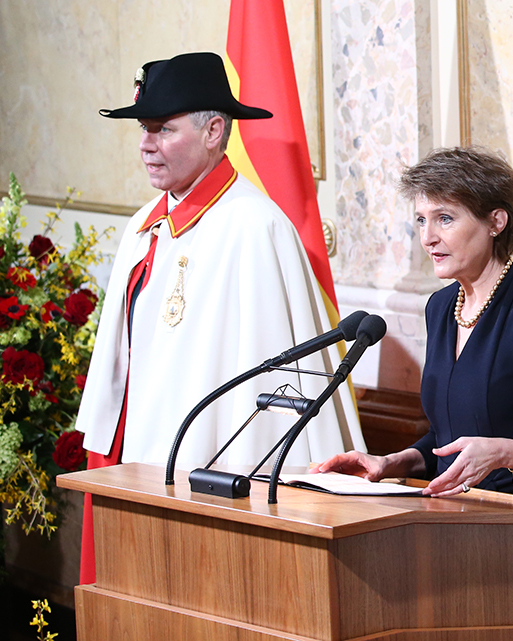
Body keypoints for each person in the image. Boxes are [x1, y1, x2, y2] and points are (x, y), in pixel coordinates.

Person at [77, 52, 364, 582]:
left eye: (163, 129)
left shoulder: (256, 228)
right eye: (144, 129)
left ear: (214, 131)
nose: (145, 145)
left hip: (206, 474)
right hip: (134, 457)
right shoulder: (145, 223)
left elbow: (272, 386)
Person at [315, 147, 513, 641]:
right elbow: (450, 433)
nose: (428, 237)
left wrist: (505, 451)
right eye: (422, 219)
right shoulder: (441, 307)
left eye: (445, 218)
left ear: (496, 221)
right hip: (446, 541)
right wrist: (396, 462)